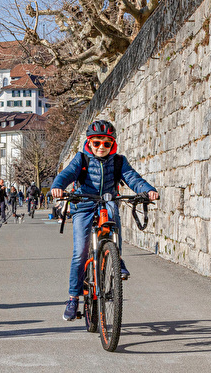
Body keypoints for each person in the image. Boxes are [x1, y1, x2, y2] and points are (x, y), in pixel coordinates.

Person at [51, 120, 159, 321]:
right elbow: (67, 174)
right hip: (83, 203)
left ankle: (116, 258)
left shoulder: (119, 161)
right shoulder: (81, 158)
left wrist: (148, 190)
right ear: (89, 143)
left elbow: (133, 178)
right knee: (80, 252)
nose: (101, 147)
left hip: (107, 200)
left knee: (112, 211)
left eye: (106, 143)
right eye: (97, 143)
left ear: (113, 144)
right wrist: (58, 186)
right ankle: (73, 298)